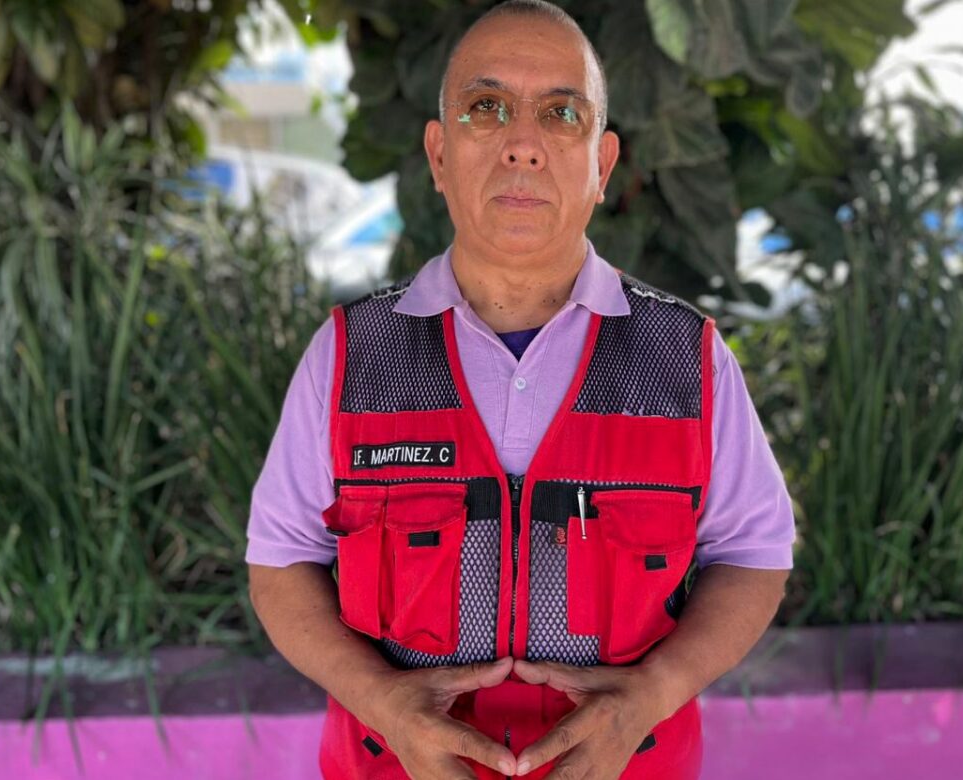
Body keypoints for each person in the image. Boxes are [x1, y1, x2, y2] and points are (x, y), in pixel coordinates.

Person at [245, 1, 795, 778]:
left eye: (561, 114)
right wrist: (382, 703)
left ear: (602, 166)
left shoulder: (686, 360)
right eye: (486, 107)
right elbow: (280, 562)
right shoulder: (349, 357)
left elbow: (753, 554)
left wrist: (648, 698)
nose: (523, 145)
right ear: (439, 156)